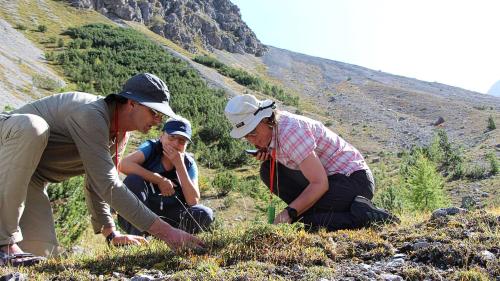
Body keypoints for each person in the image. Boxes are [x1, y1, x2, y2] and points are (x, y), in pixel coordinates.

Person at [0, 73, 203, 267]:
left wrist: (111, 233)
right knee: (31, 127)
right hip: (5, 157)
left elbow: (98, 182)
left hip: (30, 179)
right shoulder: (91, 114)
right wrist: (167, 232)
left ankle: (7, 248)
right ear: (132, 103)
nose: (158, 120)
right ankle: (4, 244)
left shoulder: (120, 134)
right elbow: (108, 185)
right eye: (154, 112)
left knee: (38, 256)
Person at [224, 94, 399, 231]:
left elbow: (320, 183)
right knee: (268, 169)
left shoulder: (290, 132)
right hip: (334, 181)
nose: (251, 140)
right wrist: (270, 153)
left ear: (264, 119)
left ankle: (364, 217)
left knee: (304, 223)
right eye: (246, 136)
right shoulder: (275, 131)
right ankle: (346, 211)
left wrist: (289, 213)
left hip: (353, 181)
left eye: (252, 132)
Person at [118, 117, 214, 235]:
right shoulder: (151, 148)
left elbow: (193, 201)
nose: (175, 144)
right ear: (162, 136)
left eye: (182, 141)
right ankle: (138, 237)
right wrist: (160, 180)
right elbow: (124, 165)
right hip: (144, 215)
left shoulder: (188, 163)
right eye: (172, 137)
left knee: (205, 213)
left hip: (174, 217)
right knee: (133, 180)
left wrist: (179, 165)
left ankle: (178, 239)